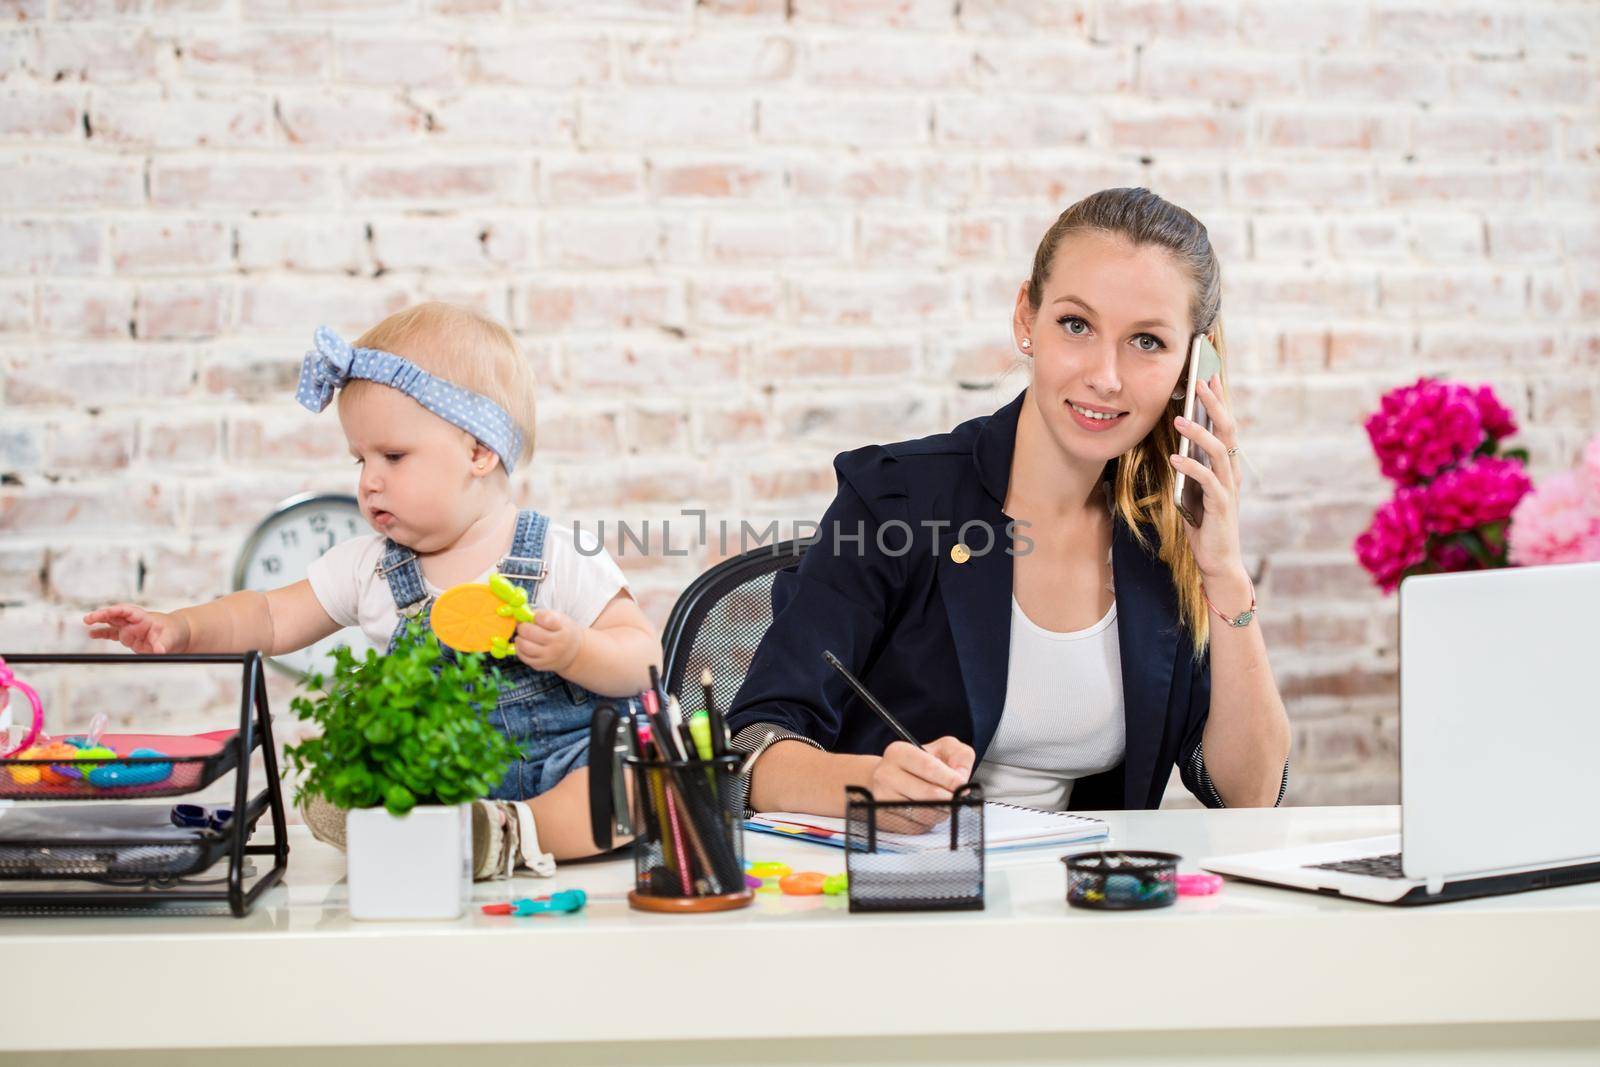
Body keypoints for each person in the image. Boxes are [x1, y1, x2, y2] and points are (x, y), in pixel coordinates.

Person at [727, 188, 1291, 819]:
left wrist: (1224, 575)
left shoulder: (1167, 537)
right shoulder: (896, 500)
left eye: (1148, 342)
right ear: (1028, 318)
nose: (1105, 375)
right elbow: (755, 748)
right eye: (1076, 326)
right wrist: (869, 786)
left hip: (1087, 902)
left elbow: (1248, 794)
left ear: (1193, 365)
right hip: (904, 892)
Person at [83, 302, 660, 874]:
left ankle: (509, 835)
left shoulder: (557, 553)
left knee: (636, 784)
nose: (369, 481)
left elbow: (642, 659)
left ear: (479, 452)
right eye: (360, 459)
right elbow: (270, 616)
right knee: (340, 788)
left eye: (393, 456)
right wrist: (183, 627)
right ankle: (461, 827)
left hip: (573, 757)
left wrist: (577, 651)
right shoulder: (371, 568)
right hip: (447, 774)